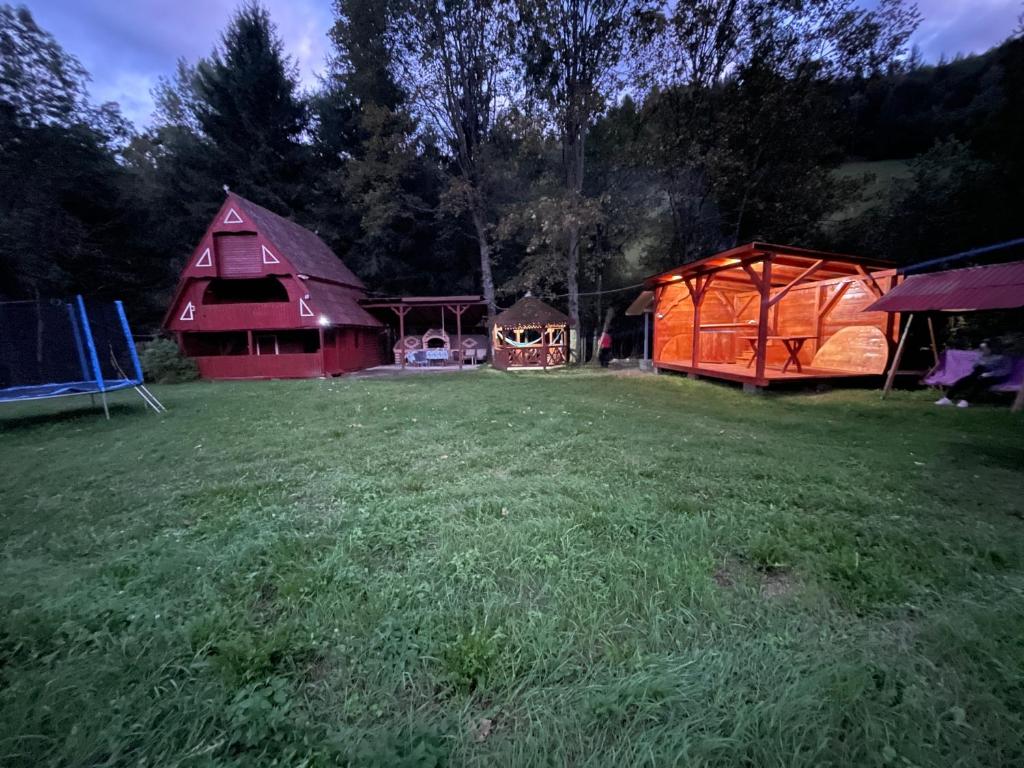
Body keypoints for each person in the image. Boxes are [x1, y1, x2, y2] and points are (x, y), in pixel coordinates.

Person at [936, 340, 1012, 408]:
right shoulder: (982, 356)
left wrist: (989, 374)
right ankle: (948, 398)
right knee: (966, 379)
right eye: (981, 348)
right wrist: (979, 364)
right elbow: (975, 366)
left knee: (980, 381)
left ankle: (967, 401)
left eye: (984, 348)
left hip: (997, 376)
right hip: (979, 374)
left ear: (990, 348)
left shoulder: (1003, 357)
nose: (982, 350)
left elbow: (1005, 371)